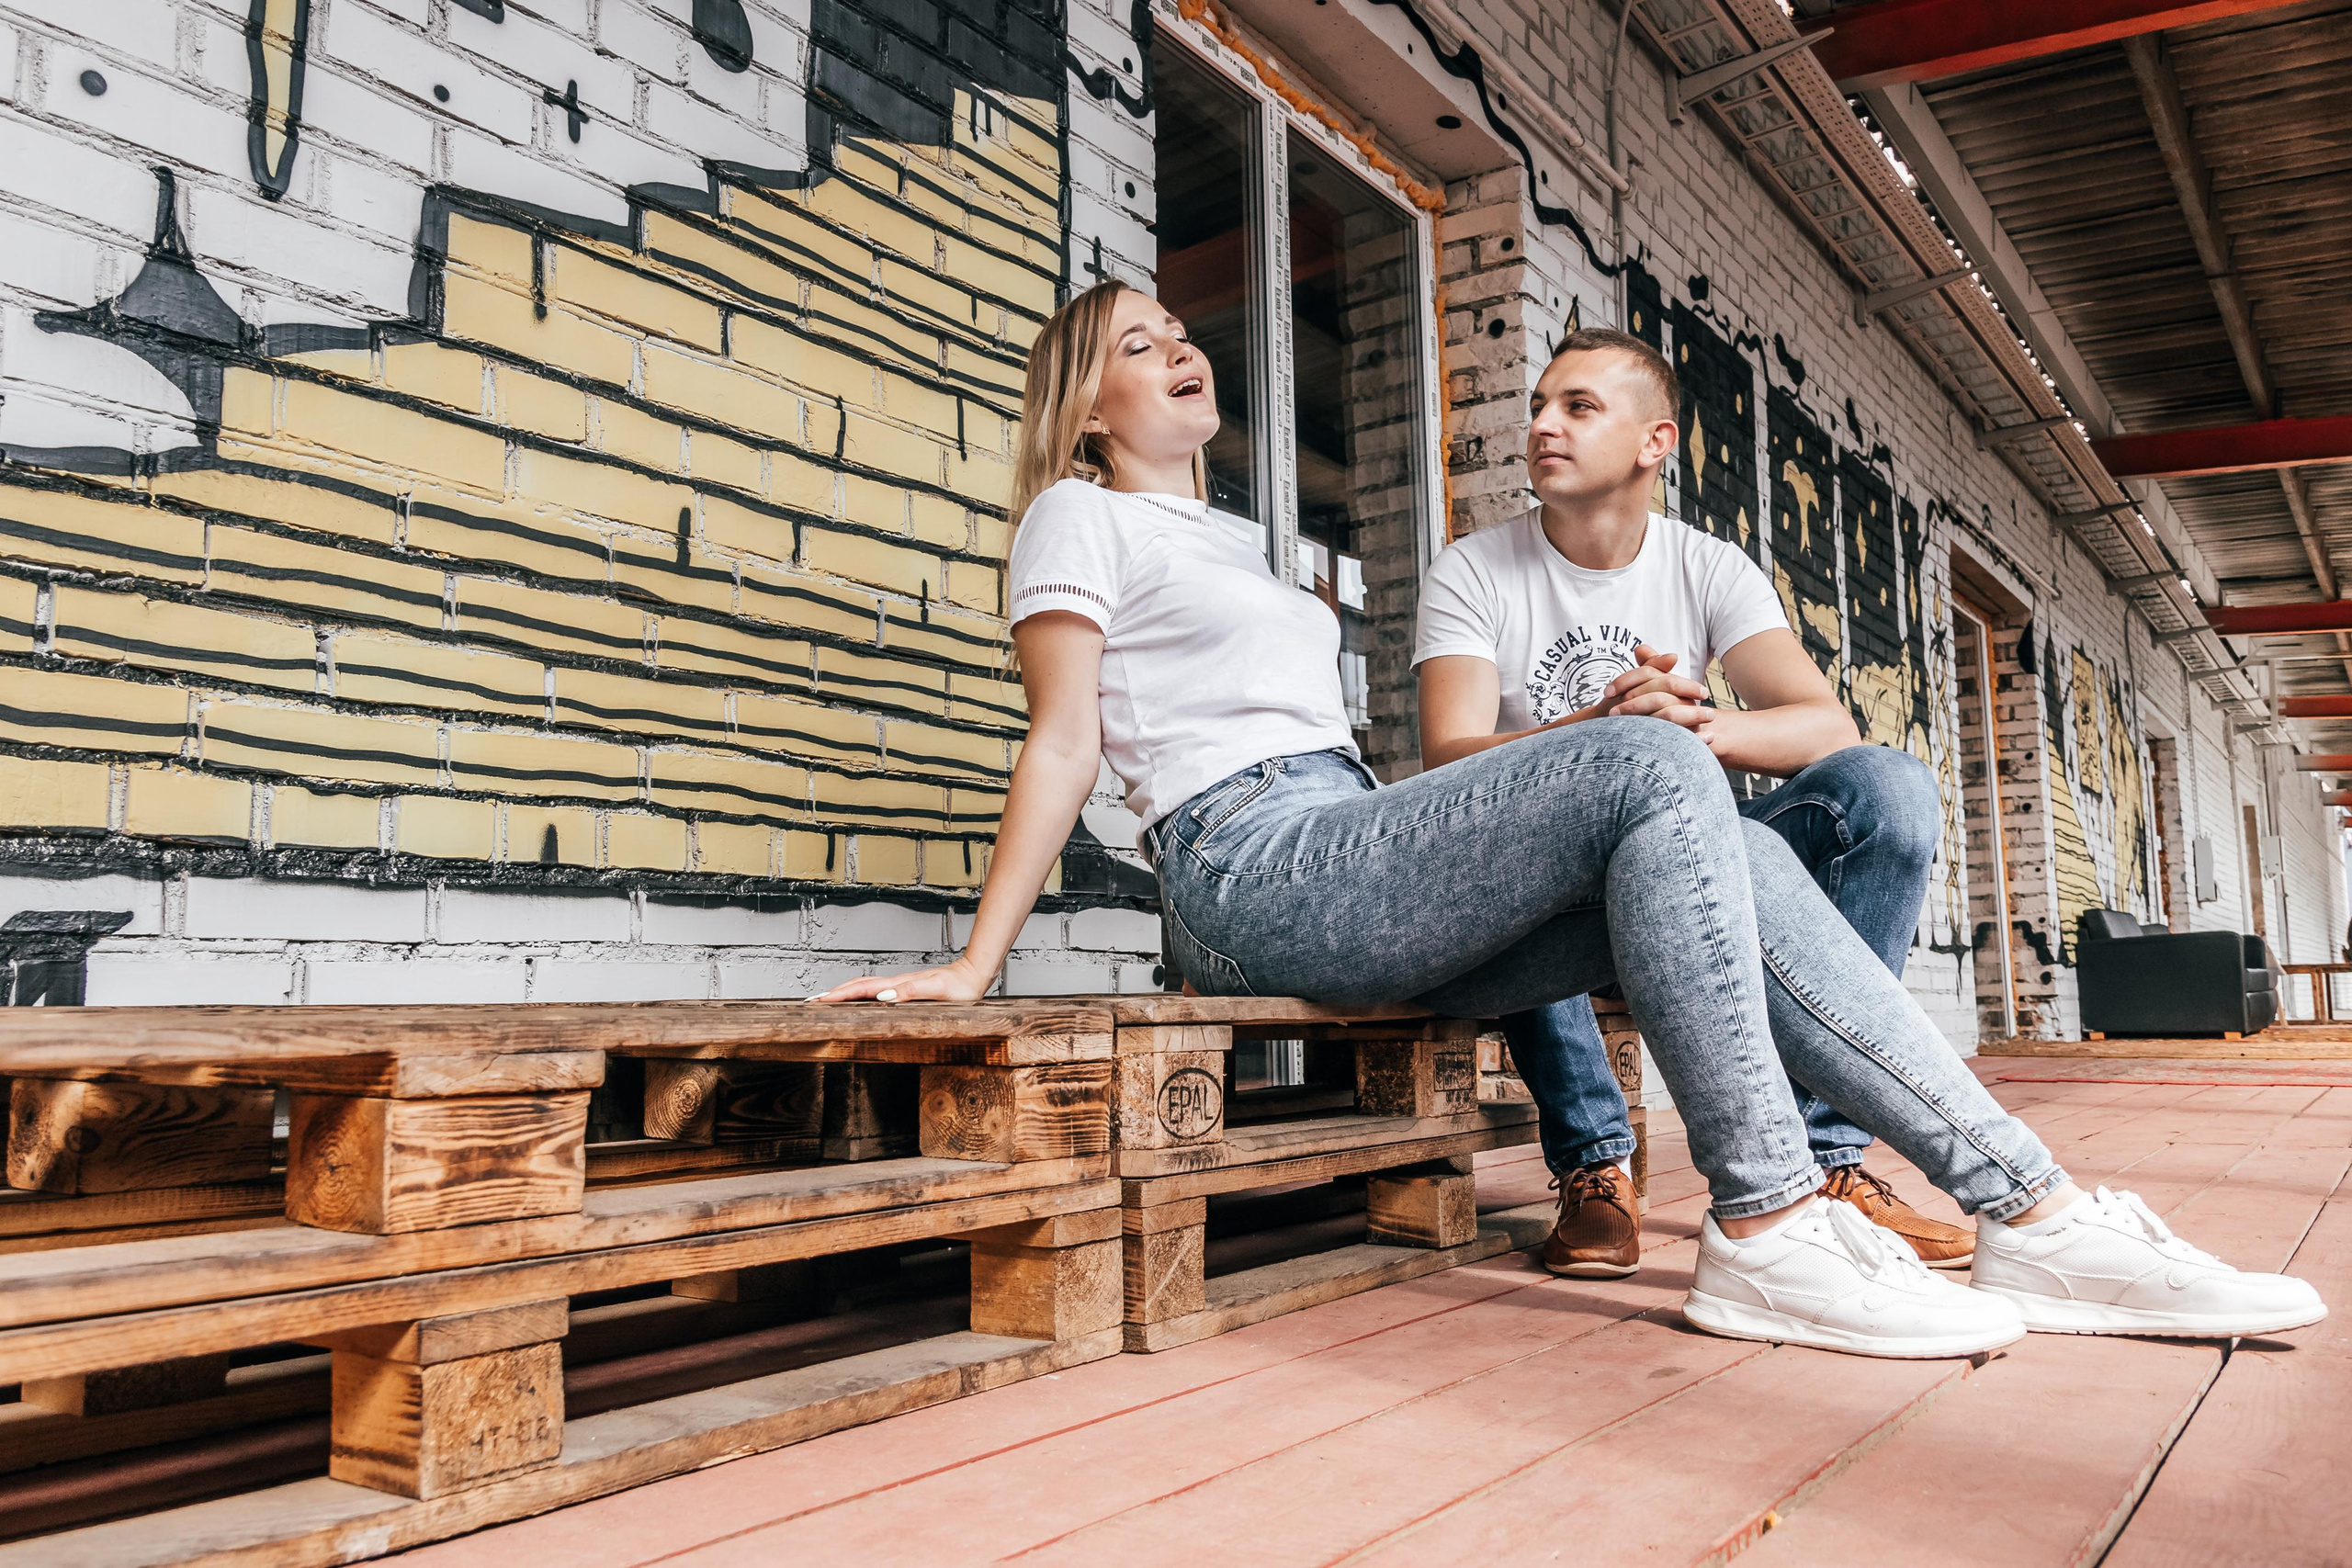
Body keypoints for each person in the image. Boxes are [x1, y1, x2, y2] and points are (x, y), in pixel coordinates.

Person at [817, 279, 2324, 1359]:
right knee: (1652, 761)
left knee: (1715, 828)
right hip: (1246, 866)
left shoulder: (1227, 540)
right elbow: (1066, 736)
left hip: (1346, 842)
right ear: (1087, 402)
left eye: (1179, 328)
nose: (1180, 348)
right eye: (1139, 343)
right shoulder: (1075, 515)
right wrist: (976, 960)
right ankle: (1768, 1221)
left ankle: (2031, 1207)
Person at [1416, 326, 1968, 1281]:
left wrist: (1692, 729)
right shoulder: (1473, 571)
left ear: (1652, 443)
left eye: (1577, 407)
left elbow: (1823, 727)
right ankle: (1596, 1166)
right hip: (1549, 887)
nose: (1542, 425)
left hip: (1695, 870)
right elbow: (1449, 754)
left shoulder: (1708, 567)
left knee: (1891, 787)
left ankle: (1827, 1160)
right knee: (1515, 847)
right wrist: (1599, 729)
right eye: (1537, 408)